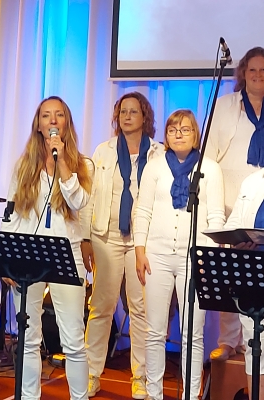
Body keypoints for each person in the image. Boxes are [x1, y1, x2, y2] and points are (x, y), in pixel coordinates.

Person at [2, 96, 94, 400]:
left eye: (58, 115)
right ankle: (29, 396)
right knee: (28, 338)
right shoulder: (24, 166)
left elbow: (78, 202)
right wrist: (7, 259)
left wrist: (62, 162)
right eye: (46, 115)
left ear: (66, 122)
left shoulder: (83, 164)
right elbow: (12, 215)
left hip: (66, 255)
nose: (52, 120)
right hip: (28, 255)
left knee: (73, 341)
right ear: (38, 125)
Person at [134, 110, 225, 400]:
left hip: (194, 259)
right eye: (173, 130)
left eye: (185, 129)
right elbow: (143, 211)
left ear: (196, 134)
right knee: (154, 331)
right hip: (156, 256)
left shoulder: (210, 168)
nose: (179, 134)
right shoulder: (155, 166)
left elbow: (216, 217)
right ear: (166, 135)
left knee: (192, 333)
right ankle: (154, 393)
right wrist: (139, 250)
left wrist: (210, 258)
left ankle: (191, 394)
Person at [80, 91, 163, 399]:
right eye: (123, 111)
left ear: (145, 117)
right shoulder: (103, 151)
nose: (127, 116)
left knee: (140, 308)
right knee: (101, 305)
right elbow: (89, 196)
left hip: (142, 241)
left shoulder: (158, 153)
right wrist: (85, 237)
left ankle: (140, 377)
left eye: (134, 111)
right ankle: (91, 373)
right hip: (106, 236)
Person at [206, 46, 264, 361]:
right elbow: (210, 156)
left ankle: (257, 342)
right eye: (252, 69)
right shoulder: (226, 105)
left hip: (262, 202)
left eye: (263, 70)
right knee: (232, 274)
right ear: (243, 73)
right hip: (231, 203)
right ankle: (229, 340)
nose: (258, 75)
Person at [224, 169, 264, 399]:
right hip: (252, 273)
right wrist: (236, 241)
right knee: (255, 347)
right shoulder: (252, 181)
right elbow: (235, 223)